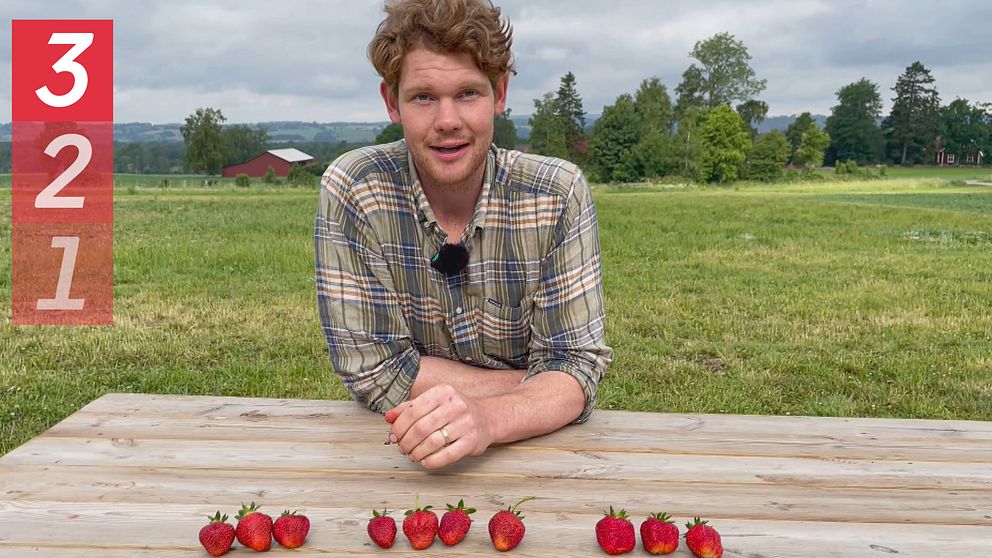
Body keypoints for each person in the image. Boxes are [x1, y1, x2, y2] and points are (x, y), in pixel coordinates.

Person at [315, 0, 611, 469]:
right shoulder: (354, 189)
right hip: (391, 454)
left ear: (500, 93)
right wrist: (539, 386)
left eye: (468, 93)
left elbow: (576, 367)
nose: (448, 120)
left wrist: (489, 418)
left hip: (538, 456)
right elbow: (372, 371)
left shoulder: (558, 194)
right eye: (423, 97)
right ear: (391, 101)